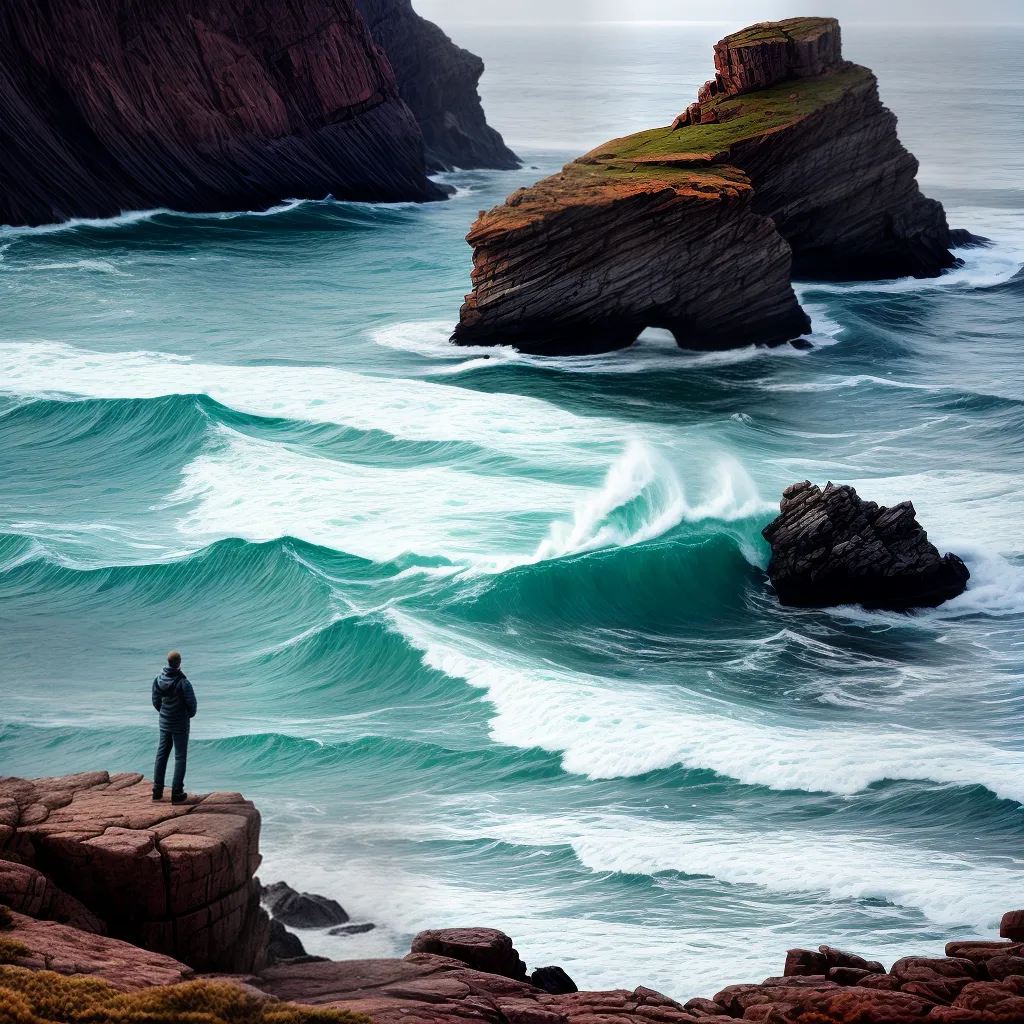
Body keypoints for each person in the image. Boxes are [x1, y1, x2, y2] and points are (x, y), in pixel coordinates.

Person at [151, 650, 198, 803]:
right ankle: (177, 792)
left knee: (162, 754)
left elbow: (156, 702)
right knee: (180, 757)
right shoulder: (183, 682)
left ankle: (157, 791)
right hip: (180, 723)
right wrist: (187, 715)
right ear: (179, 663)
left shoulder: (158, 680)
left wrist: (165, 713)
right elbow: (192, 705)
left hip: (164, 722)